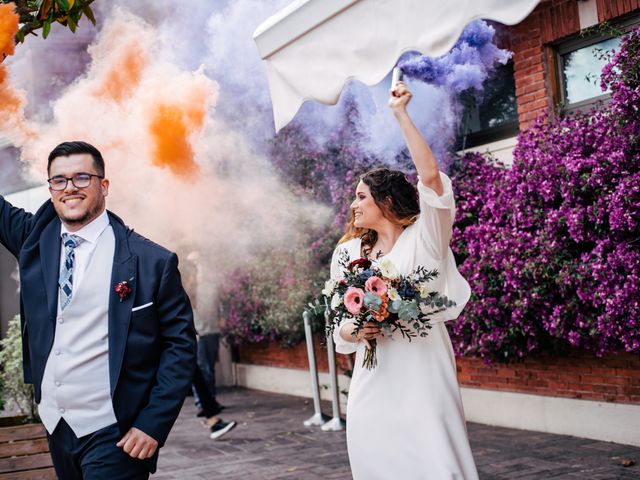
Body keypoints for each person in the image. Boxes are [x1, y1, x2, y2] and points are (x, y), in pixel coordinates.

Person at [0, 141, 197, 479]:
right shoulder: (35, 239)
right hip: (56, 424)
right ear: (50, 188)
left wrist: (153, 424)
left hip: (115, 432)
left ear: (103, 186)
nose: (70, 188)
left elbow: (180, 347)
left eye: (81, 178)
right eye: (59, 180)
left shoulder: (152, 261)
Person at [331, 82, 478, 479]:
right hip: (372, 379)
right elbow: (337, 331)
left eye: (361, 196)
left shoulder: (425, 241)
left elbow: (430, 179)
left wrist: (400, 114)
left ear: (388, 201)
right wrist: (357, 328)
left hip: (423, 371)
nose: (353, 204)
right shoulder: (347, 255)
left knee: (436, 460)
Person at [180, 256, 236, 440]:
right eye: (193, 275)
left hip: (184, 343)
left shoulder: (188, 292)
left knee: (198, 376)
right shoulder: (177, 292)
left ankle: (213, 421)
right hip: (165, 347)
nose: (195, 279)